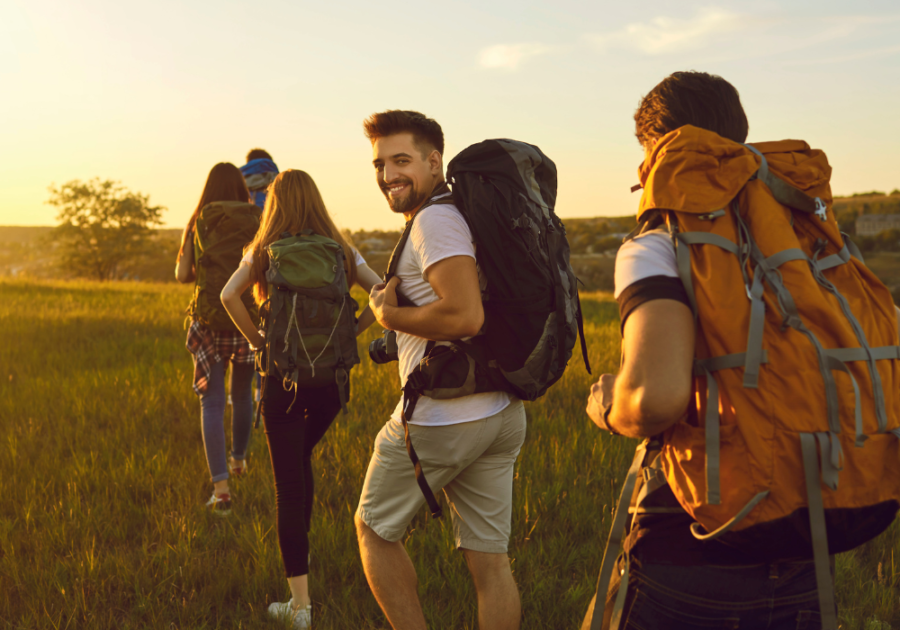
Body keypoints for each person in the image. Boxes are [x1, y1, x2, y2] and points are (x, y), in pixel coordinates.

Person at [583, 71, 900, 628]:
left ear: (657, 153)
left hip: (691, 546)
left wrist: (608, 406)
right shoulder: (814, 246)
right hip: (808, 546)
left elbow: (655, 399)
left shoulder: (657, 245)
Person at [355, 110, 527, 630]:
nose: (388, 175)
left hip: (443, 417)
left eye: (401, 160)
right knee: (490, 561)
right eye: (380, 164)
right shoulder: (456, 215)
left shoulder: (435, 220)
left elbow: (465, 314)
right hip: (499, 410)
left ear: (435, 162)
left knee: (373, 530)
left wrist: (389, 315)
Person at [220, 169, 381, 629]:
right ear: (317, 201)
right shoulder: (340, 250)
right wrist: (351, 332)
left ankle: (300, 607)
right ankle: (303, 576)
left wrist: (257, 342)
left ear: (275, 205)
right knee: (300, 459)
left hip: (282, 380)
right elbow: (384, 293)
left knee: (287, 485)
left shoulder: (264, 250)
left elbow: (228, 294)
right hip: (330, 382)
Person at [176, 162, 257, 514]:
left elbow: (182, 275)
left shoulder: (199, 221)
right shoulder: (258, 219)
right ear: (241, 188)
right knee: (242, 395)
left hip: (209, 320)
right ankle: (239, 461)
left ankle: (221, 490)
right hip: (245, 319)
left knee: (211, 403)